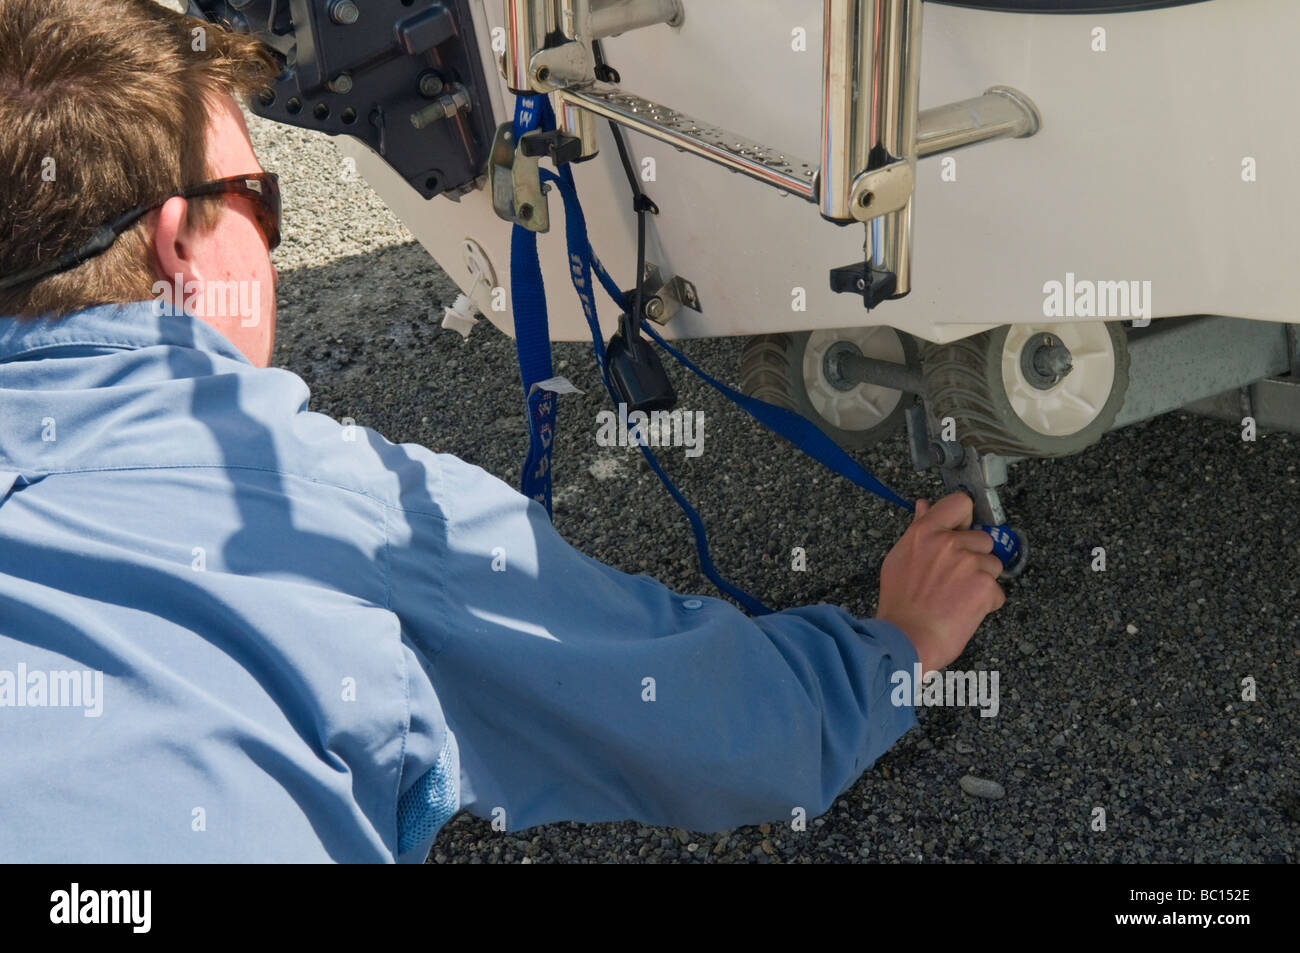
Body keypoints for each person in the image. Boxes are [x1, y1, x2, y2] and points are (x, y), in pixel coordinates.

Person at [0, 0, 1005, 862]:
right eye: (257, 202)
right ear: (183, 242)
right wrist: (894, 645)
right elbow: (723, 733)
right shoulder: (343, 521)